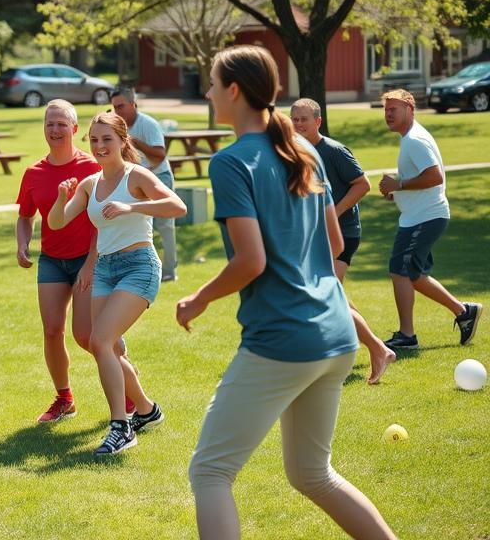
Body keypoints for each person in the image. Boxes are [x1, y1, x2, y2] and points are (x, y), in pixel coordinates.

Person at [177, 46, 395, 539]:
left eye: (212, 83)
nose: (208, 92)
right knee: (312, 474)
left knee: (210, 473)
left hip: (284, 340)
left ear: (233, 92)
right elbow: (334, 243)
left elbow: (251, 262)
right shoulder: (305, 149)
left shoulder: (231, 163)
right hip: (336, 336)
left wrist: (199, 299)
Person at [48, 111, 186, 455]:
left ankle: (120, 427)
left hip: (139, 266)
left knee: (101, 340)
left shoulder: (135, 175)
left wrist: (131, 206)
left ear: (123, 141)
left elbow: (177, 206)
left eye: (106, 139)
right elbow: (57, 222)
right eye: (94, 140)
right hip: (106, 269)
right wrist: (62, 199)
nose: (99, 146)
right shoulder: (89, 184)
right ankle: (146, 410)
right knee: (109, 348)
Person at [290, 98, 396, 384]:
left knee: (329, 296)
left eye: (304, 119)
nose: (298, 124)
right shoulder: (297, 152)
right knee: (334, 294)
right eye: (295, 119)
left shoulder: (334, 151)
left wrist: (332, 215)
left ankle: (376, 349)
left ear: (318, 121)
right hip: (316, 235)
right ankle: (367, 347)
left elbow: (362, 184)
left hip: (343, 233)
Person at [16, 100, 99, 423]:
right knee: (52, 330)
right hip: (51, 259)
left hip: (86, 258)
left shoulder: (91, 167)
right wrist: (22, 243)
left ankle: (128, 390)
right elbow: (25, 216)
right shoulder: (34, 173)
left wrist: (91, 262)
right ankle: (64, 398)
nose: (55, 130)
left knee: (88, 336)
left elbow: (100, 221)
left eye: (62, 124)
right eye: (50, 124)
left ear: (75, 129)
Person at [378, 89, 481, 349]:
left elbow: (435, 176)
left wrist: (399, 184)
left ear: (410, 109)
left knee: (399, 271)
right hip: (421, 215)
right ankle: (463, 312)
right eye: (386, 110)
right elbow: (425, 179)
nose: (389, 114)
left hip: (424, 217)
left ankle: (407, 335)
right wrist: (400, 193)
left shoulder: (414, 140)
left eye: (394, 109)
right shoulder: (411, 137)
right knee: (414, 274)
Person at [110, 87, 179, 281]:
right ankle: (141, 270)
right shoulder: (118, 126)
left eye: (121, 106)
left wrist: (137, 143)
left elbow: (160, 155)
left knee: (165, 226)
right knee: (138, 226)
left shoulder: (147, 124)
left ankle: (169, 272)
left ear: (133, 104)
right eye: (114, 107)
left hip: (159, 177)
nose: (117, 111)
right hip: (136, 182)